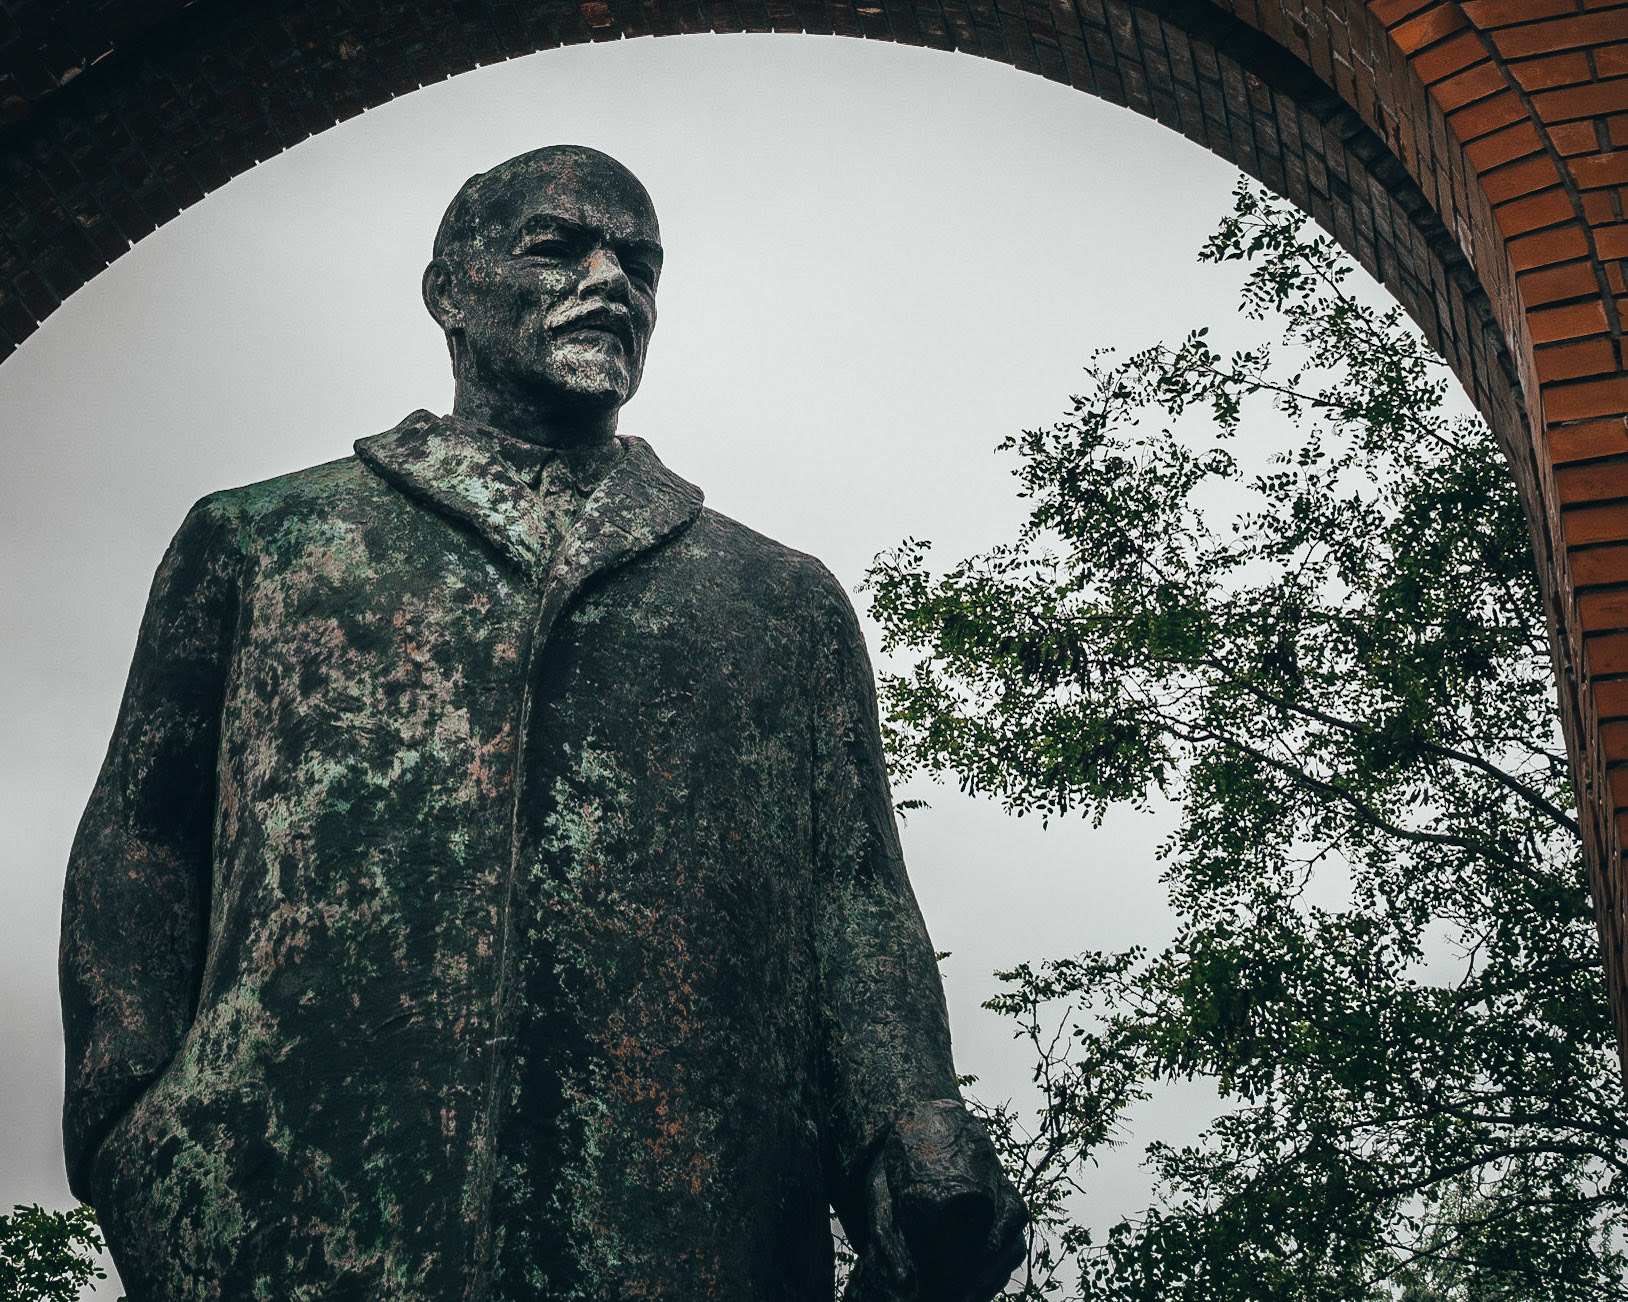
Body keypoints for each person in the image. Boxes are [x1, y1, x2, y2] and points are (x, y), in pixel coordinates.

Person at [61, 145, 1025, 1301]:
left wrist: (908, 1123)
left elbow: (853, 895)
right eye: (558, 247)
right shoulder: (261, 543)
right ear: (448, 291)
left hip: (685, 1229)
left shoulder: (774, 598)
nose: (612, 281)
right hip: (290, 1218)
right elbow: (140, 838)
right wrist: (131, 1128)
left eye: (641, 263)